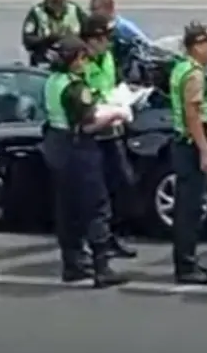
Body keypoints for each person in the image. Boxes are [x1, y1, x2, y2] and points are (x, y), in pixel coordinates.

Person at [42, 35, 130, 288]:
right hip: (78, 149)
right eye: (83, 57)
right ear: (76, 59)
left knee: (67, 208)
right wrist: (116, 113)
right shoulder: (75, 87)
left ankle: (73, 264)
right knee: (96, 206)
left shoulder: (52, 81)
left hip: (57, 146)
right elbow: (88, 124)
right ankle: (102, 268)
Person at [169, 22, 207, 285]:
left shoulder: (183, 68)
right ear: (198, 47)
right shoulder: (194, 75)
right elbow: (193, 115)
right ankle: (186, 265)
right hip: (191, 144)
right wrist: (205, 151)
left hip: (185, 143)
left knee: (188, 206)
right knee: (190, 209)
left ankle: (186, 261)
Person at [81, 14, 138, 259]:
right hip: (92, 134)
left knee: (123, 184)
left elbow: (111, 85)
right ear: (91, 41)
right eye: (103, 39)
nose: (107, 43)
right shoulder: (81, 63)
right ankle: (95, 242)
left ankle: (111, 235)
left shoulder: (107, 58)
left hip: (112, 130)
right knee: (96, 195)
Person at [22, 0, 87, 67]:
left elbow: (90, 32)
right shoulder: (37, 13)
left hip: (74, 63)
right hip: (44, 64)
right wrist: (48, 39)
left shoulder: (75, 10)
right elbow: (27, 40)